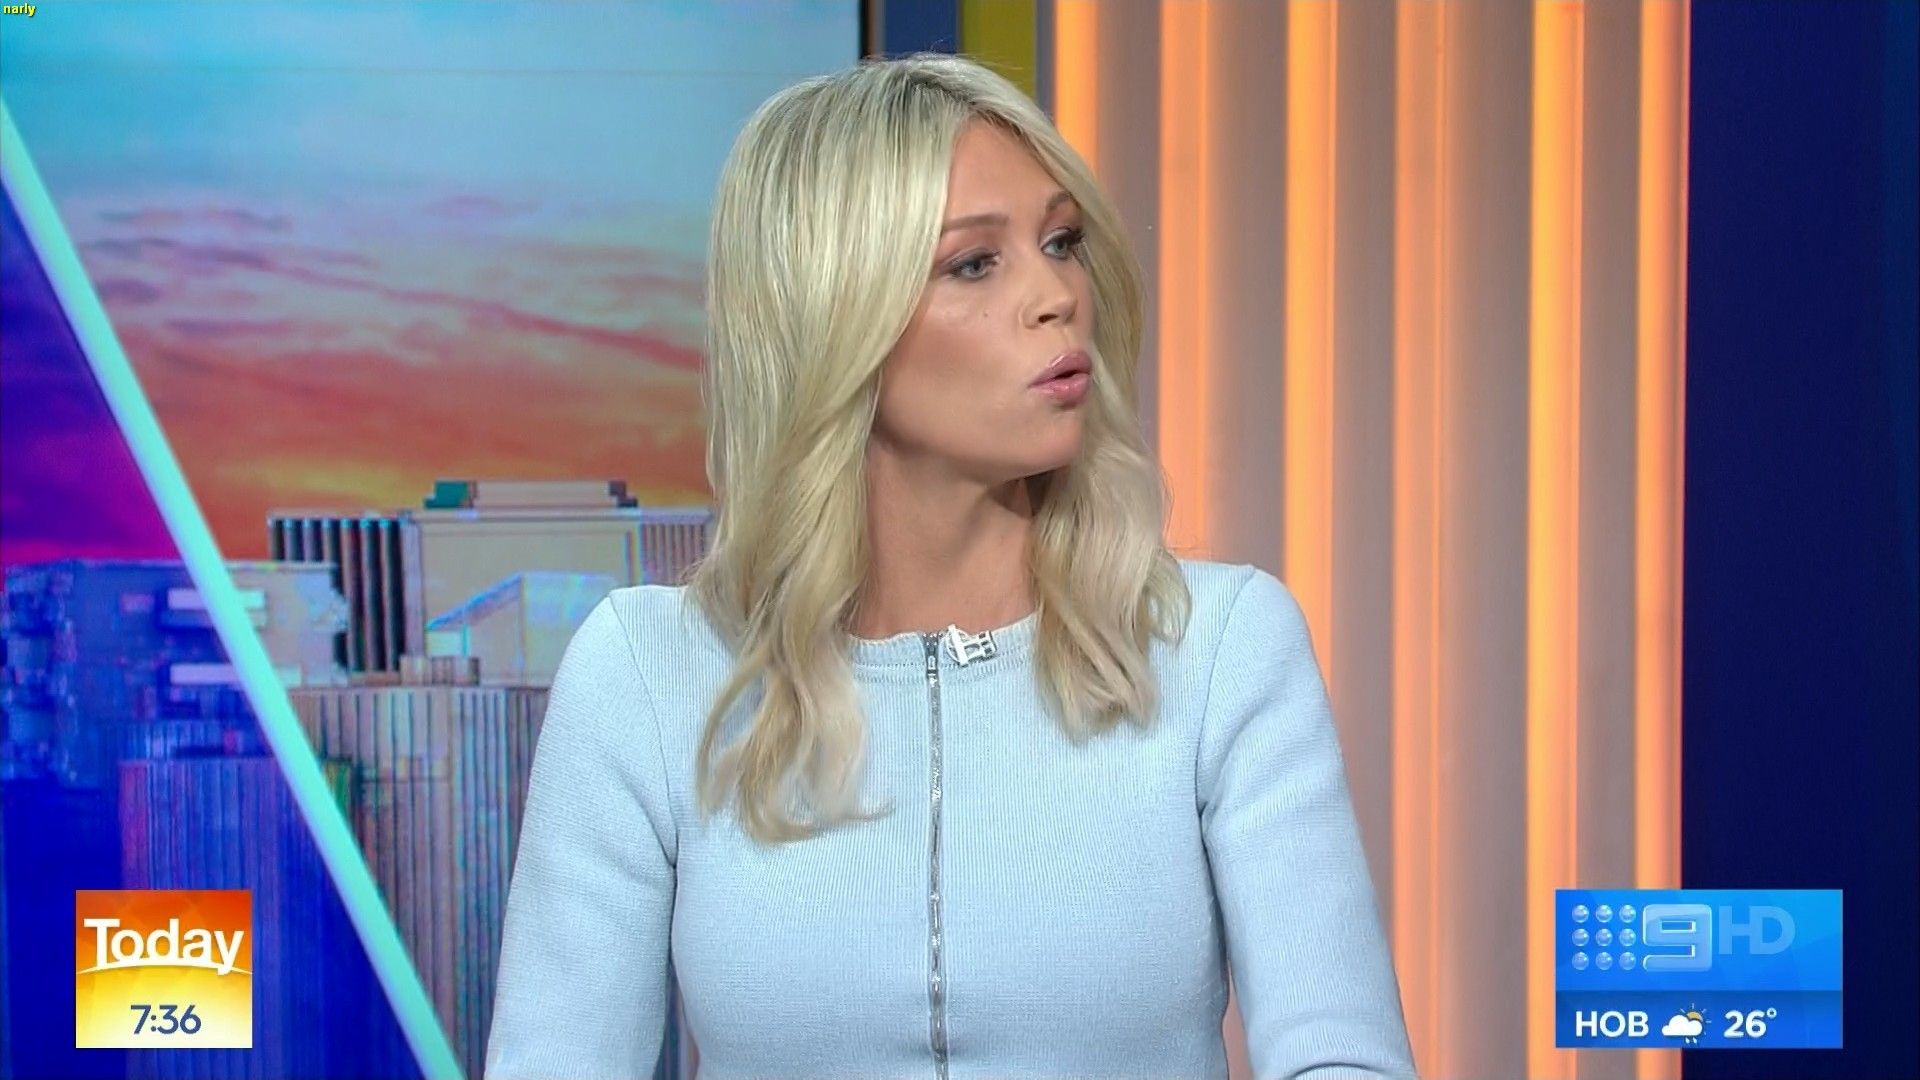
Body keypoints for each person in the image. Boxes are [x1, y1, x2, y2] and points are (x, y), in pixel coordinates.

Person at [485, 52, 1417, 1080]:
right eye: (975, 263)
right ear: (834, 318)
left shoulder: (1217, 649)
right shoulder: (648, 674)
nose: (1056, 295)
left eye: (1061, 242)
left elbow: (1343, 1058)